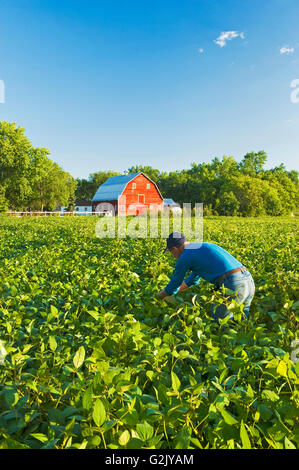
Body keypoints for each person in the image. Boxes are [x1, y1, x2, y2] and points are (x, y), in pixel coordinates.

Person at [156, 232, 255, 321]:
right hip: (248, 281)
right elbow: (192, 280)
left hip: (233, 284)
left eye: (171, 252)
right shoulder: (201, 247)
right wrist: (172, 292)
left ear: (174, 249)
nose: (173, 256)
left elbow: (175, 283)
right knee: (239, 322)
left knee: (219, 323)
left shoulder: (185, 256)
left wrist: (160, 296)